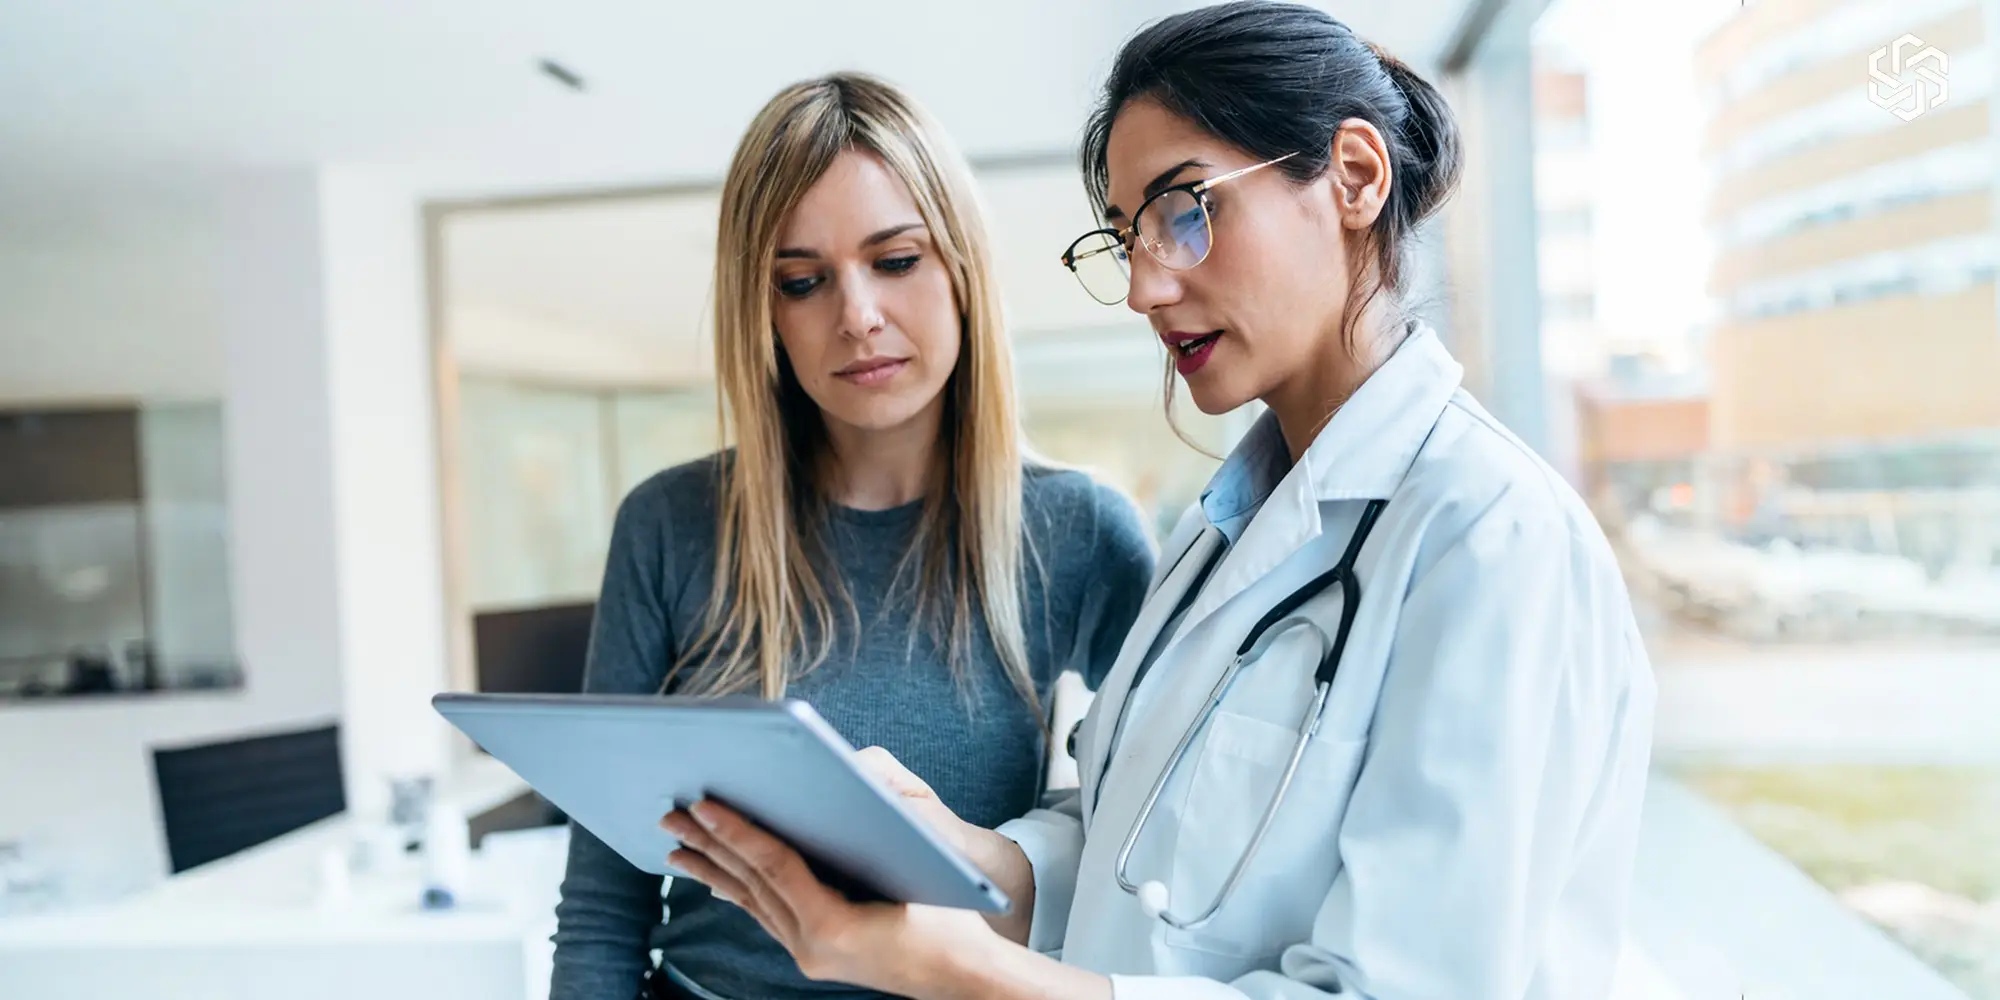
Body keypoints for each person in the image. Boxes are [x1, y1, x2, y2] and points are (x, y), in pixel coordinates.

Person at [659, 4, 1658, 1000]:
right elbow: (1124, 847)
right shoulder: (1220, 535)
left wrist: (951, 966)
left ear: (1353, 176)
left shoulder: (1489, 540)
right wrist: (962, 852)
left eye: (1186, 210)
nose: (1142, 286)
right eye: (1126, 235)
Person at [551, 72, 1158, 1000]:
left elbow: (1151, 838)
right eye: (803, 281)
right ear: (766, 313)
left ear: (961, 268)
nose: (857, 315)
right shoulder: (671, 526)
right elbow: (604, 905)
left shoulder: (1079, 531)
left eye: (897, 260)